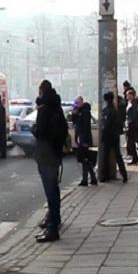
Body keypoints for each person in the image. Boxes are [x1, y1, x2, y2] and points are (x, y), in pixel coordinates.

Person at [32, 80, 69, 243]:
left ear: (41, 91)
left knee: (50, 191)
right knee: (54, 188)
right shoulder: (57, 108)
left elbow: (39, 132)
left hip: (45, 155)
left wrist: (34, 128)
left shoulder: (44, 110)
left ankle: (52, 227)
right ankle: (55, 219)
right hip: (55, 154)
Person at [100, 91, 128, 183]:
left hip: (108, 137)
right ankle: (124, 175)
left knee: (105, 156)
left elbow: (106, 125)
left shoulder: (106, 111)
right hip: (115, 136)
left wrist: (103, 136)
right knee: (118, 156)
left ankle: (104, 176)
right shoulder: (115, 111)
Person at [72, 96, 97, 187]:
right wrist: (74, 114)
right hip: (81, 137)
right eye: (75, 103)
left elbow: (85, 127)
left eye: (77, 103)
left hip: (84, 138)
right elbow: (75, 123)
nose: (76, 105)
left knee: (85, 159)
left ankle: (85, 179)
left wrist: (85, 141)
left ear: (82, 102)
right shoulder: (79, 112)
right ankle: (92, 178)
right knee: (85, 159)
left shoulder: (85, 112)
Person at [125, 90, 138, 165]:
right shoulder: (130, 103)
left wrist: (130, 121)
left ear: (132, 95)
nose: (127, 96)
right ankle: (136, 158)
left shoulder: (135, 103)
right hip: (130, 125)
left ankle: (135, 158)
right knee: (130, 143)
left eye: (128, 95)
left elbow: (135, 115)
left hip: (133, 126)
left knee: (130, 143)